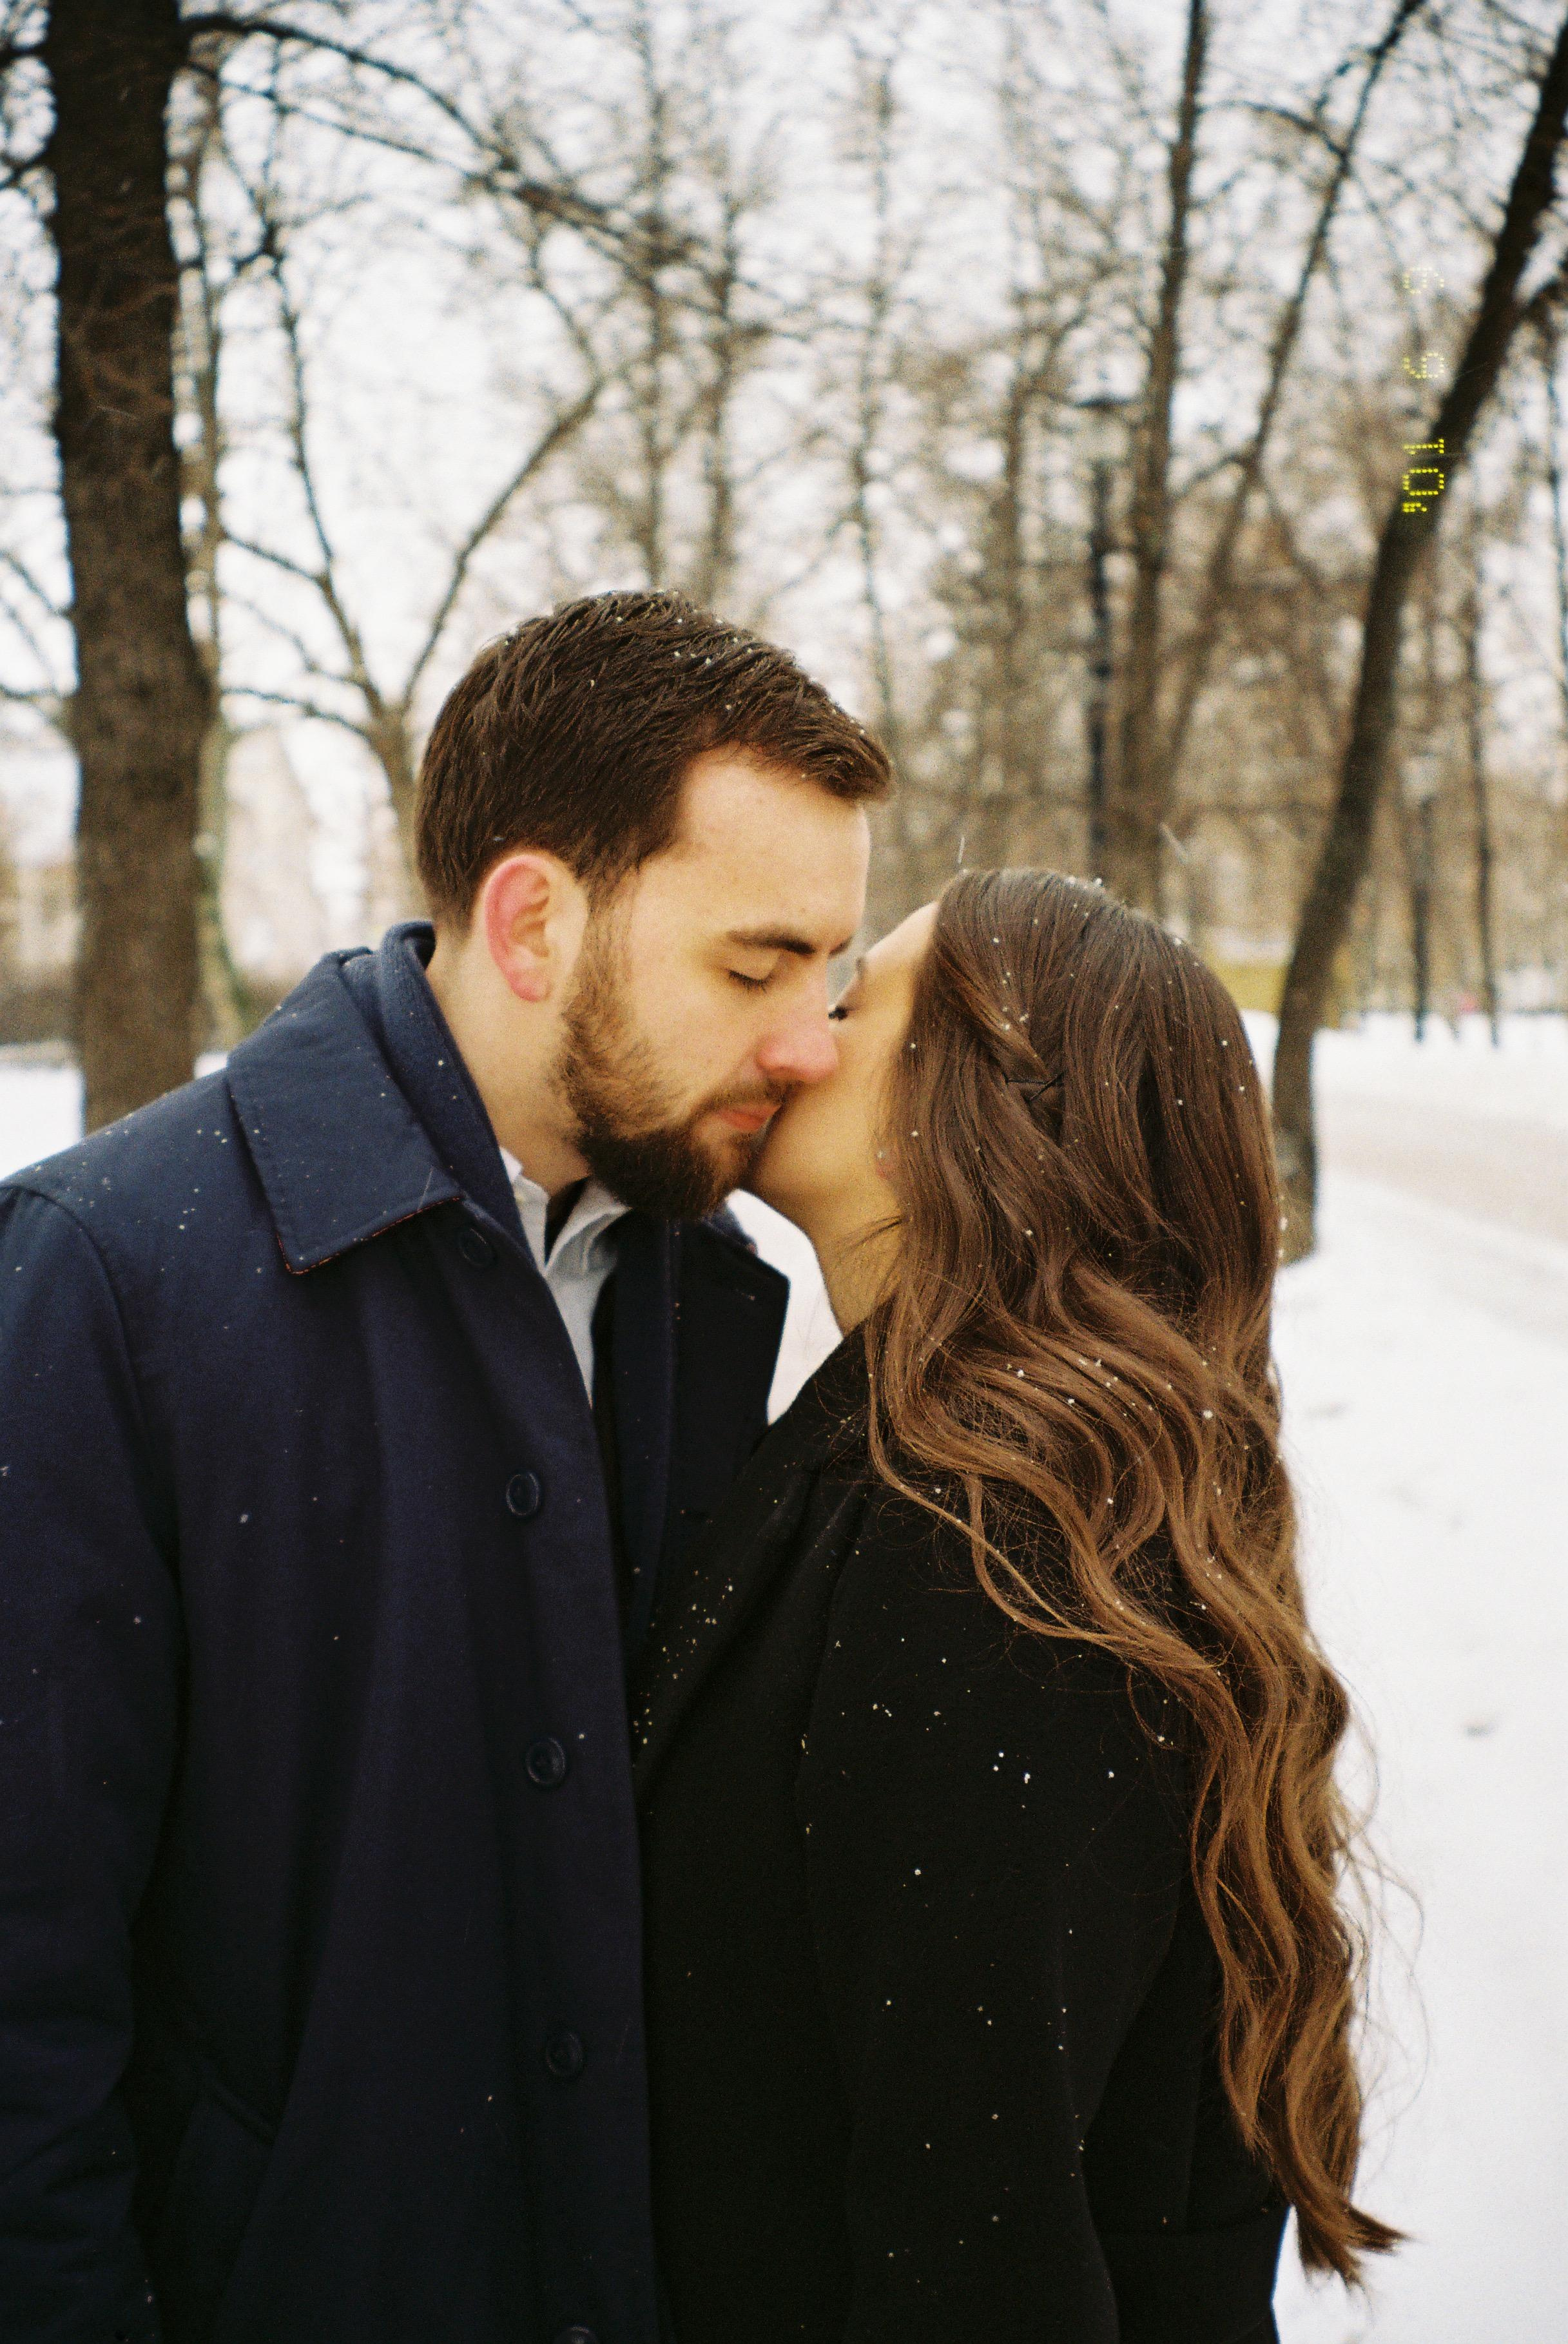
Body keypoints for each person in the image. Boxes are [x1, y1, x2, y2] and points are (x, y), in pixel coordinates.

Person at [0, 591, 887, 2344]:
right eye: (754, 964)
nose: (810, 1047)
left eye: (836, 978)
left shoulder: (712, 1281)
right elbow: (21, 2001)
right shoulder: (104, 1274)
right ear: (534, 918)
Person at [633, 867, 1401, 2344]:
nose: (798, 1036)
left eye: (854, 1002)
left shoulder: (992, 1569)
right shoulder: (951, 1481)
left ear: (991, 1110)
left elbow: (974, 2245)